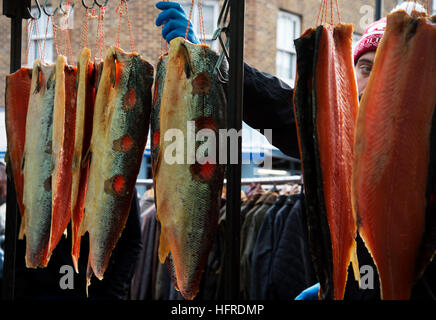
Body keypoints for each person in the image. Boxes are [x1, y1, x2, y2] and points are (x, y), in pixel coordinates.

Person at [155, 1, 435, 300]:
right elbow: (279, 108)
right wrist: (213, 67)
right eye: (366, 67)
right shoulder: (337, 133)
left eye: (392, 69)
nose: (377, 81)